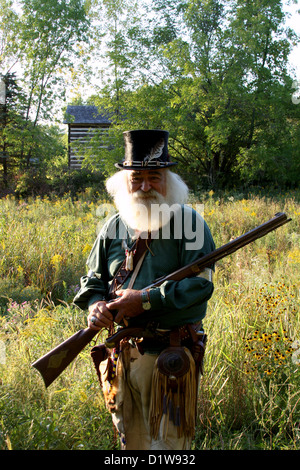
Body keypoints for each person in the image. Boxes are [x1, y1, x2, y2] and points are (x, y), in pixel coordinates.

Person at [73, 129, 215, 450]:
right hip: (122, 357)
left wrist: (145, 300)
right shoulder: (112, 225)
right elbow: (93, 279)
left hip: (170, 355)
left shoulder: (190, 224)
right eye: (137, 178)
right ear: (124, 182)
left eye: (155, 176)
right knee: (131, 446)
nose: (146, 186)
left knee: (169, 448)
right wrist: (95, 304)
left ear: (170, 181)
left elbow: (200, 287)